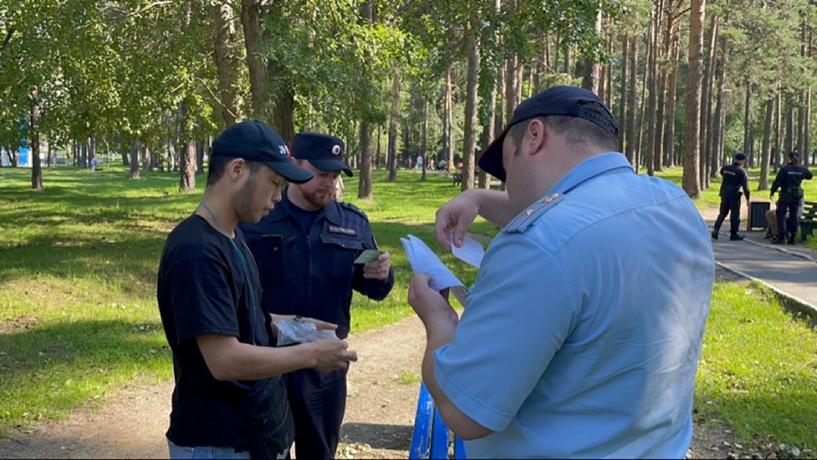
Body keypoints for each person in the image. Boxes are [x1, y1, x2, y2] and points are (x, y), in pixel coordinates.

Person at [407, 86, 714, 458]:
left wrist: (438, 318)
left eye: (507, 166)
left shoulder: (538, 245)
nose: (508, 183)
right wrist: (478, 199)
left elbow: (464, 412)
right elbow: (577, 221)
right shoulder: (673, 205)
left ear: (534, 136)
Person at [157, 121, 358, 460]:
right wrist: (311, 356)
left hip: (249, 436)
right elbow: (224, 360)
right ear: (238, 170)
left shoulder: (232, 237)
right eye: (274, 183)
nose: (278, 197)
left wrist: (300, 327)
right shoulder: (197, 251)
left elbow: (245, 319)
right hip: (216, 443)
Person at [240, 132, 395, 460]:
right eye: (321, 173)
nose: (329, 183)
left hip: (323, 370)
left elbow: (373, 286)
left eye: (335, 175)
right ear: (294, 164)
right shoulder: (260, 216)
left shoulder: (351, 223)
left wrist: (382, 276)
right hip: (266, 363)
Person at [770, 150, 813, 244]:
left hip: (786, 194)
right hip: (797, 195)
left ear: (789, 158)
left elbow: (778, 181)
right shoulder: (801, 169)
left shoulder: (785, 169)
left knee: (780, 214)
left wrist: (773, 191)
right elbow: (810, 176)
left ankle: (782, 236)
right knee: (794, 215)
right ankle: (793, 237)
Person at [711, 152, 751, 241]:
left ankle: (716, 230)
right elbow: (745, 186)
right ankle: (734, 234)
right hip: (734, 195)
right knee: (735, 215)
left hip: (724, 193)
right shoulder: (741, 171)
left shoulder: (725, 168)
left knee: (722, 213)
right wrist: (748, 198)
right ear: (742, 161)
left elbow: (722, 174)